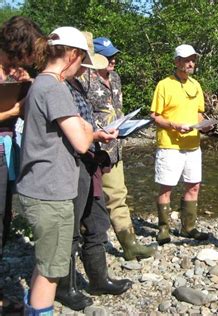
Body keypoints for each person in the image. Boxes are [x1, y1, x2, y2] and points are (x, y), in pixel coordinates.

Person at [16, 26, 94, 315]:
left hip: (37, 187)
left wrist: (85, 129)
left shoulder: (39, 83)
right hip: (51, 192)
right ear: (72, 54)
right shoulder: (55, 87)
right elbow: (82, 142)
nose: (81, 69)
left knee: (44, 261)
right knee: (52, 270)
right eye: (82, 59)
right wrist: (87, 128)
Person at [55, 31, 131, 312]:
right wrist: (97, 135)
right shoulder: (59, 87)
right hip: (74, 163)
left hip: (92, 160)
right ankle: (66, 287)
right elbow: (72, 132)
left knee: (97, 220)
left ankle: (99, 279)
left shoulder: (74, 84)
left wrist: (99, 135)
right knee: (72, 228)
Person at [81, 37, 155, 261]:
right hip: (89, 149)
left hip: (113, 149)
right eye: (108, 55)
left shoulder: (115, 78)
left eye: (114, 55)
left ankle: (129, 244)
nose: (113, 59)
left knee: (118, 195)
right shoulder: (82, 79)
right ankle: (83, 245)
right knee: (85, 200)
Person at [0, 15, 43, 314]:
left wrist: (25, 88)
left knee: (4, 221)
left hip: (7, 153)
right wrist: (13, 109)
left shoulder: (12, 72)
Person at [150, 44, 211, 245]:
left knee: (194, 186)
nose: (191, 63)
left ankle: (188, 228)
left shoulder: (196, 85)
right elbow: (155, 116)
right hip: (170, 145)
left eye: (193, 59)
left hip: (193, 145)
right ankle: (164, 229)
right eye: (186, 60)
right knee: (166, 188)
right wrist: (173, 125)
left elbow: (199, 112)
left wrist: (204, 125)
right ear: (177, 62)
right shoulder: (164, 85)